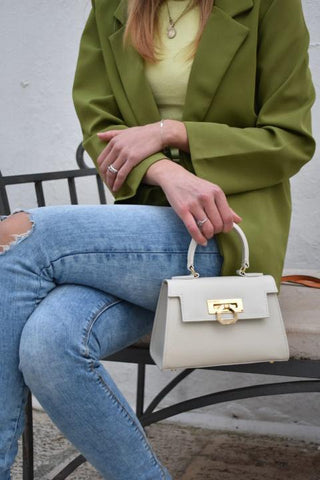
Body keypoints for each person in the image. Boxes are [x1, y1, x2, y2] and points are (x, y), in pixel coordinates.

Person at [0, 0, 316, 478]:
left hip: (226, 228)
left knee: (21, 237)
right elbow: (99, 123)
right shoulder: (112, 6)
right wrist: (162, 169)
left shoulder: (268, 5)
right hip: (140, 233)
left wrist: (173, 133)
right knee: (48, 346)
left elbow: (289, 139)